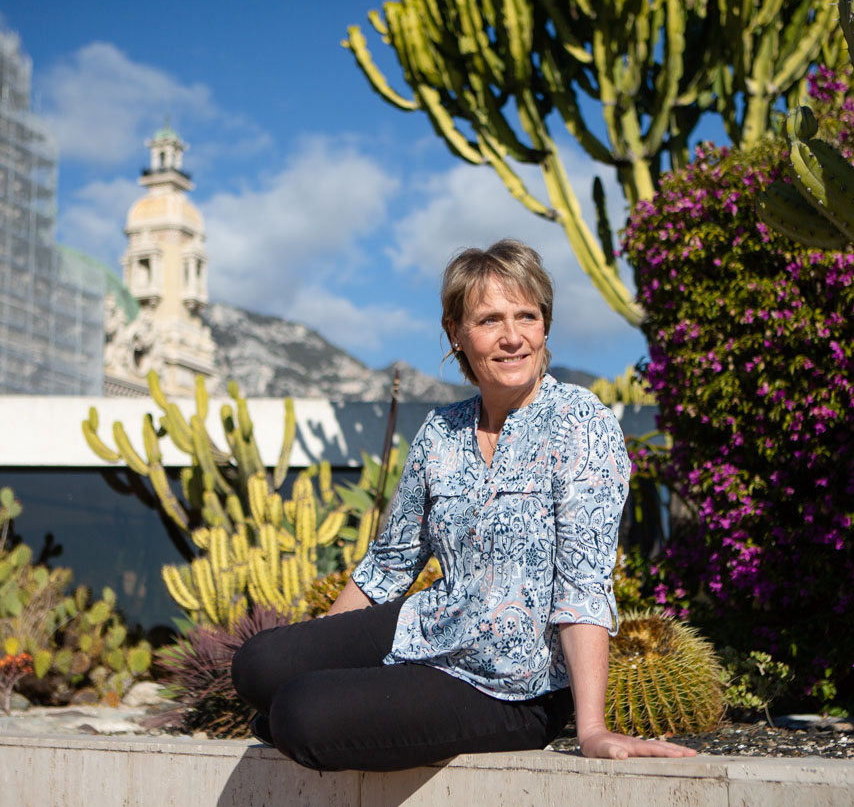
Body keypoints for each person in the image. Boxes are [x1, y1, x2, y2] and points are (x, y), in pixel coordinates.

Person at [231, 239, 696, 771]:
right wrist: (324, 647)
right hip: (433, 627)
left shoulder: (580, 423)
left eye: (528, 316)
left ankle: (328, 713)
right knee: (259, 664)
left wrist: (591, 728)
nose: (513, 337)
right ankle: (346, 699)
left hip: (513, 687)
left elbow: (583, 585)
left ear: (545, 326)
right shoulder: (441, 431)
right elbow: (390, 561)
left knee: (300, 713)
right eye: (490, 320)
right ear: (456, 333)